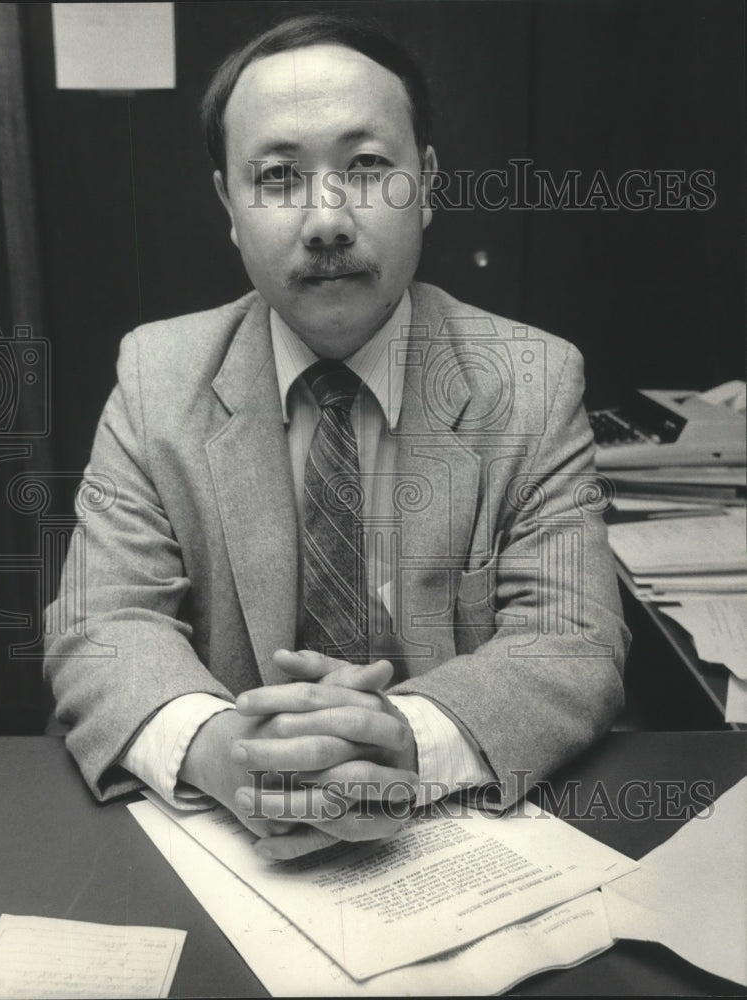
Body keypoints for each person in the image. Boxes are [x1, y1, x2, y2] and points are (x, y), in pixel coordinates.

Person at [44, 14, 629, 862]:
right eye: (278, 177)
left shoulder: (533, 381)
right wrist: (233, 755)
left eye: (365, 168)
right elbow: (101, 624)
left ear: (426, 183)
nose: (326, 220)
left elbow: (573, 637)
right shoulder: (156, 376)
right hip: (231, 855)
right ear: (230, 208)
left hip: (453, 847)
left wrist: (405, 741)